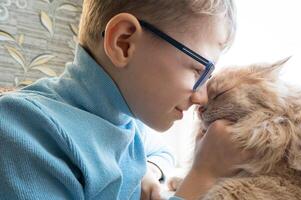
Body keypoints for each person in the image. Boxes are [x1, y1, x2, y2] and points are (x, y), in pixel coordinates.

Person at [0, 0, 252, 199]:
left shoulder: (128, 120)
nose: (201, 96)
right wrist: (202, 176)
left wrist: (149, 169)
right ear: (124, 43)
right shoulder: (22, 129)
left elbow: (161, 151)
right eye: (198, 70)